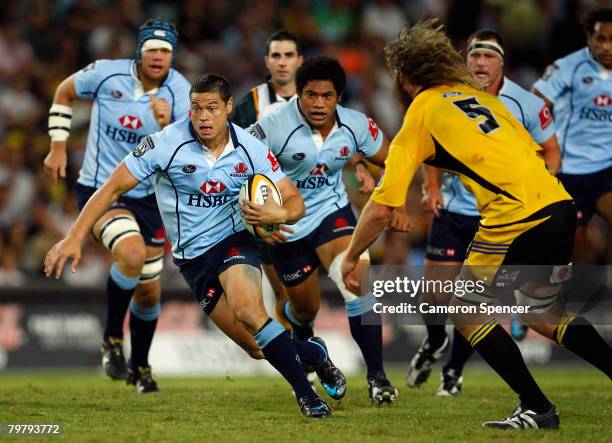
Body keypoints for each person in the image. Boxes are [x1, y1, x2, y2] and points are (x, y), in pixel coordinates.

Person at [342, 20, 611, 429]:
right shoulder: (480, 99)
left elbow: (381, 208)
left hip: (515, 217)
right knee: (544, 313)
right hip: (557, 206)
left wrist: (352, 255)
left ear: (405, 78)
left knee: (465, 310)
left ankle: (537, 408)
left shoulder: (422, 110)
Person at [44, 73, 347, 418]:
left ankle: (306, 395)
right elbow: (112, 188)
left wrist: (278, 212)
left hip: (234, 240)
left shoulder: (251, 148)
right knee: (255, 347)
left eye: (212, 108)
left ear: (229, 108)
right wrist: (74, 236)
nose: (203, 117)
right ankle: (315, 355)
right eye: (197, 108)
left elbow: (295, 202)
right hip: (193, 259)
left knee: (249, 310)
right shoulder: (164, 143)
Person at [407, 29, 562, 397]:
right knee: (434, 296)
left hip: (500, 216)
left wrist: (537, 186)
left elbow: (551, 150)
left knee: (473, 300)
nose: (480, 63)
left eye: (488, 56)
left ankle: (454, 371)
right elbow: (431, 145)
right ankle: (433, 341)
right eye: (474, 55)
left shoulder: (525, 102)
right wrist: (431, 187)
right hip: (453, 209)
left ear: (501, 62)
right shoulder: (450, 96)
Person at [248, 56, 411, 404]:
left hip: (331, 214)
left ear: (339, 96)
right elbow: (238, 169)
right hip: (286, 226)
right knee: (304, 310)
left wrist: (393, 200)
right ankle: (311, 347)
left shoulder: (356, 125)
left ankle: (378, 378)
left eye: (327, 96)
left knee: (357, 281)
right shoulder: (272, 126)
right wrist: (257, 223)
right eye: (310, 95)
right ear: (298, 94)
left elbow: (395, 158)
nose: (318, 104)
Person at [43, 19, 191, 392]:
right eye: (152, 49)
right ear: (139, 51)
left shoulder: (180, 90)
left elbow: (190, 147)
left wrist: (170, 122)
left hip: (150, 200)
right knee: (131, 253)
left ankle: (140, 367)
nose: (159, 57)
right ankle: (111, 339)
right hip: (101, 191)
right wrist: (58, 145)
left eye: (166, 51)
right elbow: (64, 91)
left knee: (149, 292)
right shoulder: (107, 75)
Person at [232, 31, 375, 332]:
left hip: (324, 210)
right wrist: (257, 223)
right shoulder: (252, 106)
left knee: (355, 285)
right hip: (274, 218)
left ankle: (370, 373)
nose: (282, 62)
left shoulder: (320, 96)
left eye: (288, 56)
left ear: (300, 61)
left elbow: (333, 143)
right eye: (276, 56)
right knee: (297, 305)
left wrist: (359, 162)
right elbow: (237, 161)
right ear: (266, 62)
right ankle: (307, 356)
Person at [532, 7, 612, 264]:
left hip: (606, 167)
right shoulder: (568, 67)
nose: (607, 46)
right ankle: (584, 291)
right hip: (570, 170)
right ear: (589, 38)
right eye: (601, 39)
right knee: (576, 249)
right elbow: (535, 102)